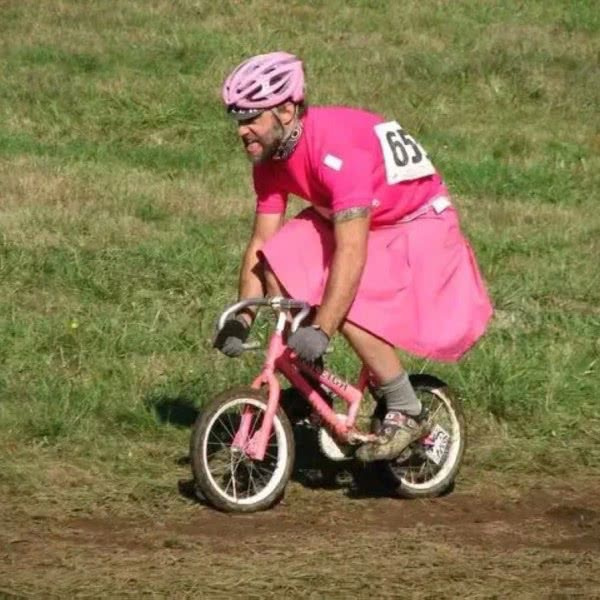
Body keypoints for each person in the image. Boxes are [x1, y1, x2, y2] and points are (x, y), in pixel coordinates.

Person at [214, 51, 493, 461]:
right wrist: (242, 318)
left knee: (345, 300)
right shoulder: (270, 157)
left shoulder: (337, 151)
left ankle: (407, 407)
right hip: (355, 216)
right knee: (278, 260)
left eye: (251, 118)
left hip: (416, 222)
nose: (242, 131)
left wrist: (323, 327)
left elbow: (351, 252)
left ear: (286, 110)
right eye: (238, 121)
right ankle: (313, 387)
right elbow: (261, 241)